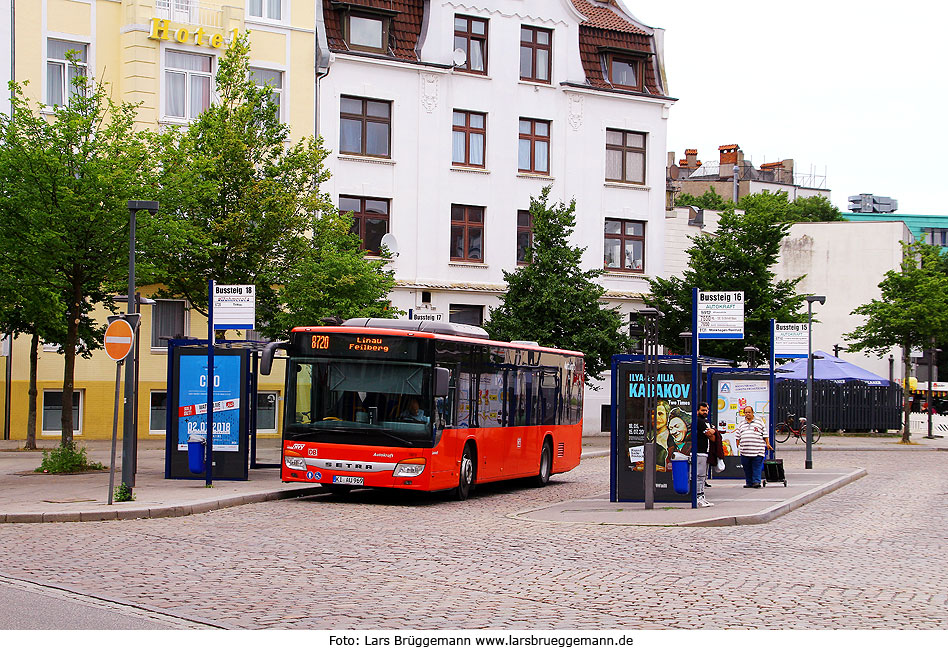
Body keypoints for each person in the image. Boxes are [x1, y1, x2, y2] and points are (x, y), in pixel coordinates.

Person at [734, 405, 771, 488]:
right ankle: (749, 482)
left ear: (752, 412)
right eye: (746, 412)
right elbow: (737, 435)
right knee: (747, 468)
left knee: (756, 467)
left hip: (757, 450)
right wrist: (738, 444)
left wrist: (767, 443)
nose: (747, 414)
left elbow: (765, 434)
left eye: (749, 412)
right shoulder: (741, 423)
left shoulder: (759, 422)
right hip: (745, 451)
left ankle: (756, 482)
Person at [694, 402, 716, 507]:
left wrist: (713, 431)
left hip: (704, 451)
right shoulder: (699, 421)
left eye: (706, 410)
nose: (705, 412)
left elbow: (713, 435)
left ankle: (701, 496)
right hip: (699, 451)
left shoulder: (706, 421)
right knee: (700, 476)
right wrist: (713, 431)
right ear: (697, 410)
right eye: (703, 410)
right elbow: (711, 435)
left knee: (703, 476)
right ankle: (698, 497)